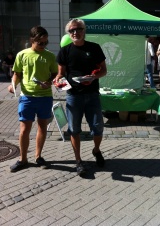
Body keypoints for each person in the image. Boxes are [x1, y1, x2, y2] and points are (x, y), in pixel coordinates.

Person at [55, 18, 107, 176]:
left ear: (84, 31)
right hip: (73, 96)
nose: (75, 32)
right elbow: (61, 74)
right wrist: (58, 81)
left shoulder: (94, 48)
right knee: (74, 130)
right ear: (68, 33)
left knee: (98, 128)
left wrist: (94, 76)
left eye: (78, 29)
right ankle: (78, 161)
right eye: (72, 30)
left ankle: (96, 150)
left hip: (92, 95)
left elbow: (104, 70)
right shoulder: (65, 51)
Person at [8, 26, 58, 172]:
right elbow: (17, 74)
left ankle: (38, 156)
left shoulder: (49, 56)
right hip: (27, 97)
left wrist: (49, 82)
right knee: (24, 129)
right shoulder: (22, 55)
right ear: (32, 40)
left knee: (42, 127)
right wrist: (13, 85)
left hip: (45, 96)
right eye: (40, 43)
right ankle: (23, 159)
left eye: (46, 43)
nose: (43, 45)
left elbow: (55, 74)